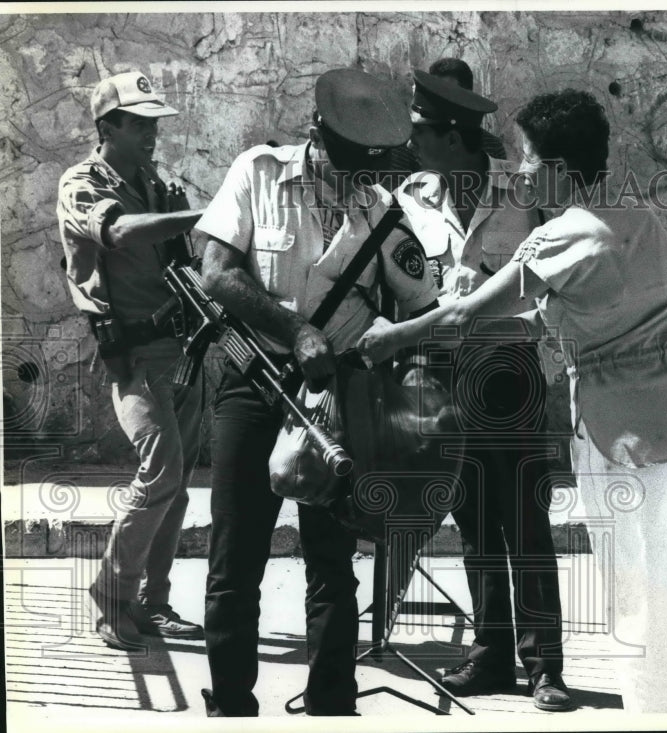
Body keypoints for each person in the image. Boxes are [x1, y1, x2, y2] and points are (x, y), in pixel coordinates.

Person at [358, 89, 667, 714]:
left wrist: (394, 336)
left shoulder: (562, 239)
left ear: (554, 170)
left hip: (629, 436)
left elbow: (466, 313)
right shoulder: (644, 221)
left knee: (640, 604)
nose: (519, 170)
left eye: (525, 157)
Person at [194, 68, 439, 717]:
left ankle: (333, 702)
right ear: (315, 134)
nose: (352, 180)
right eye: (344, 162)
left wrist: (395, 348)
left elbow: (424, 302)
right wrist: (295, 328)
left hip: (338, 399)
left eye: (366, 168)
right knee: (235, 556)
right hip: (254, 380)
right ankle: (231, 702)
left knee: (331, 565)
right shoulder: (258, 172)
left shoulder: (383, 213)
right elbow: (215, 272)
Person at [394, 70, 572, 712]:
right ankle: (490, 654)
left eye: (420, 130)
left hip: (510, 369)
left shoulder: (522, 191)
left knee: (525, 522)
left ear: (454, 136)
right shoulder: (409, 196)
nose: (409, 141)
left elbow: (559, 267)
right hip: (445, 375)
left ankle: (544, 664)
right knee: (472, 522)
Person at [56, 70, 206, 651]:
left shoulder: (157, 183)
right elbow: (117, 233)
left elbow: (183, 260)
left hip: (180, 346)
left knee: (179, 481)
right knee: (161, 469)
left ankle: (153, 601)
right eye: (138, 123)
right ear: (106, 126)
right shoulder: (82, 182)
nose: (151, 134)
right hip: (133, 352)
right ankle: (112, 595)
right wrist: (203, 215)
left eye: (154, 124)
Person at [385, 57, 506, 188]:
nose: (441, 99)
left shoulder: (492, 146)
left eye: (448, 93)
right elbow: (394, 196)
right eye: (435, 92)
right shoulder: (408, 144)